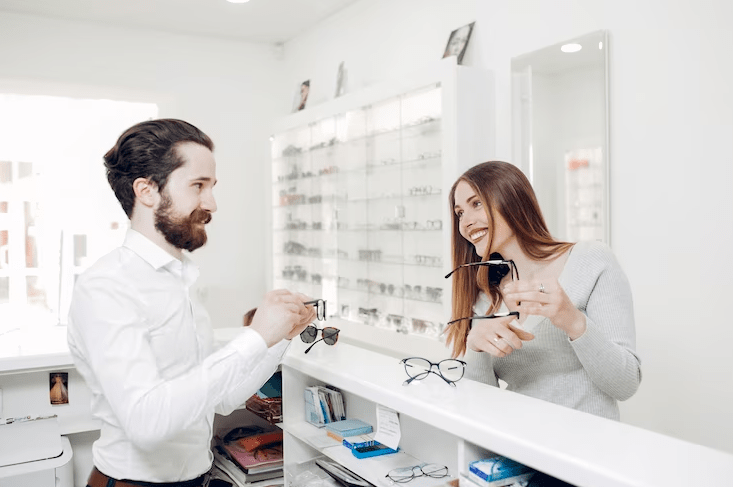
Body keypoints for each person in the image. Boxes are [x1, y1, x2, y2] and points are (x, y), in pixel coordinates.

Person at [67, 119, 316, 487]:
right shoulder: (106, 287)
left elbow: (222, 397)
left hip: (197, 478)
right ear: (147, 191)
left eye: (212, 187)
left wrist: (278, 338)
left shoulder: (181, 279)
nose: (212, 203)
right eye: (198, 186)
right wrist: (255, 336)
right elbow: (146, 422)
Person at [445, 161, 641, 420]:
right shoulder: (485, 296)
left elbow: (625, 384)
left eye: (476, 204)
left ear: (512, 200)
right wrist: (475, 348)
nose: (466, 223)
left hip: (588, 450)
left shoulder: (590, 260)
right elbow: (478, 410)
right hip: (517, 450)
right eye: (459, 213)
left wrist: (572, 320)